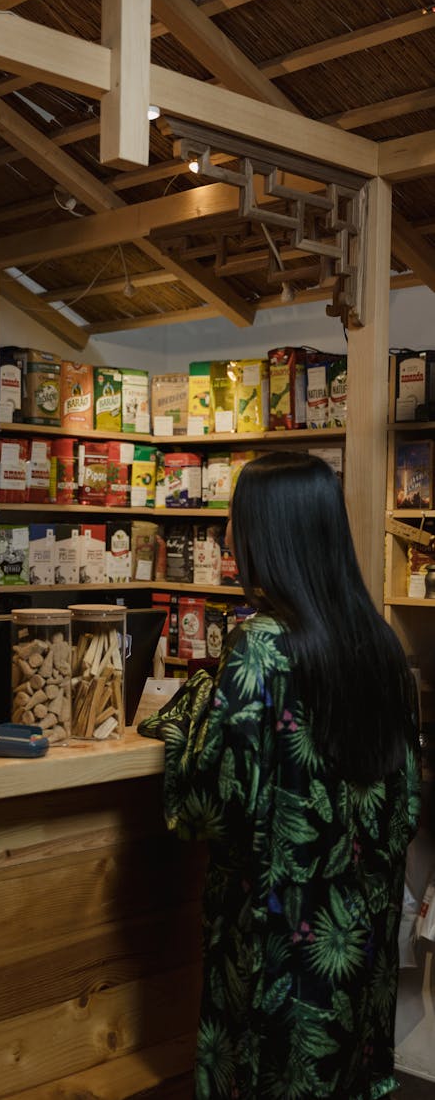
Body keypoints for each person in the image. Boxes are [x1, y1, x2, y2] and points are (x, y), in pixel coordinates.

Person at [155, 451, 421, 1100]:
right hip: (355, 956)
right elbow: (405, 806)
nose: (224, 538)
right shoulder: (381, 646)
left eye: (234, 522)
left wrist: (186, 711)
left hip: (276, 957)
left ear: (268, 534)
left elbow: (205, 805)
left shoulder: (262, 648)